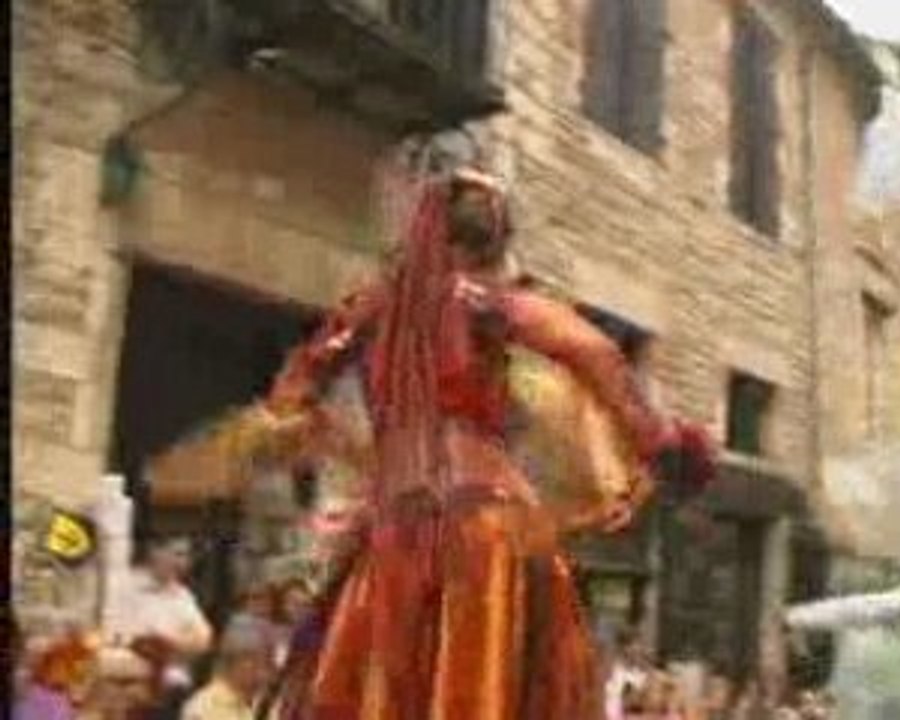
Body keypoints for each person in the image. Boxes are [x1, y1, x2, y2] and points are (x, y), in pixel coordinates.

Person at [226, 159, 714, 718]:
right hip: (488, 520)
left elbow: (295, 390)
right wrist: (667, 444)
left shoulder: (374, 306)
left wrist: (332, 442)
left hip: (397, 522)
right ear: (494, 244)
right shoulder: (492, 305)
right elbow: (595, 355)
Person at [106, 536, 213, 718]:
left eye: (186, 556)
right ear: (154, 552)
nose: (183, 562)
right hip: (127, 680)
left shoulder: (183, 596)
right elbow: (118, 635)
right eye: (177, 554)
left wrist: (168, 643)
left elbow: (204, 639)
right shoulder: (125, 586)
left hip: (171, 688)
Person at [182, 618, 275, 720]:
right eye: (264, 664)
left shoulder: (262, 705)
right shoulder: (204, 708)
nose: (266, 675)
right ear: (243, 661)